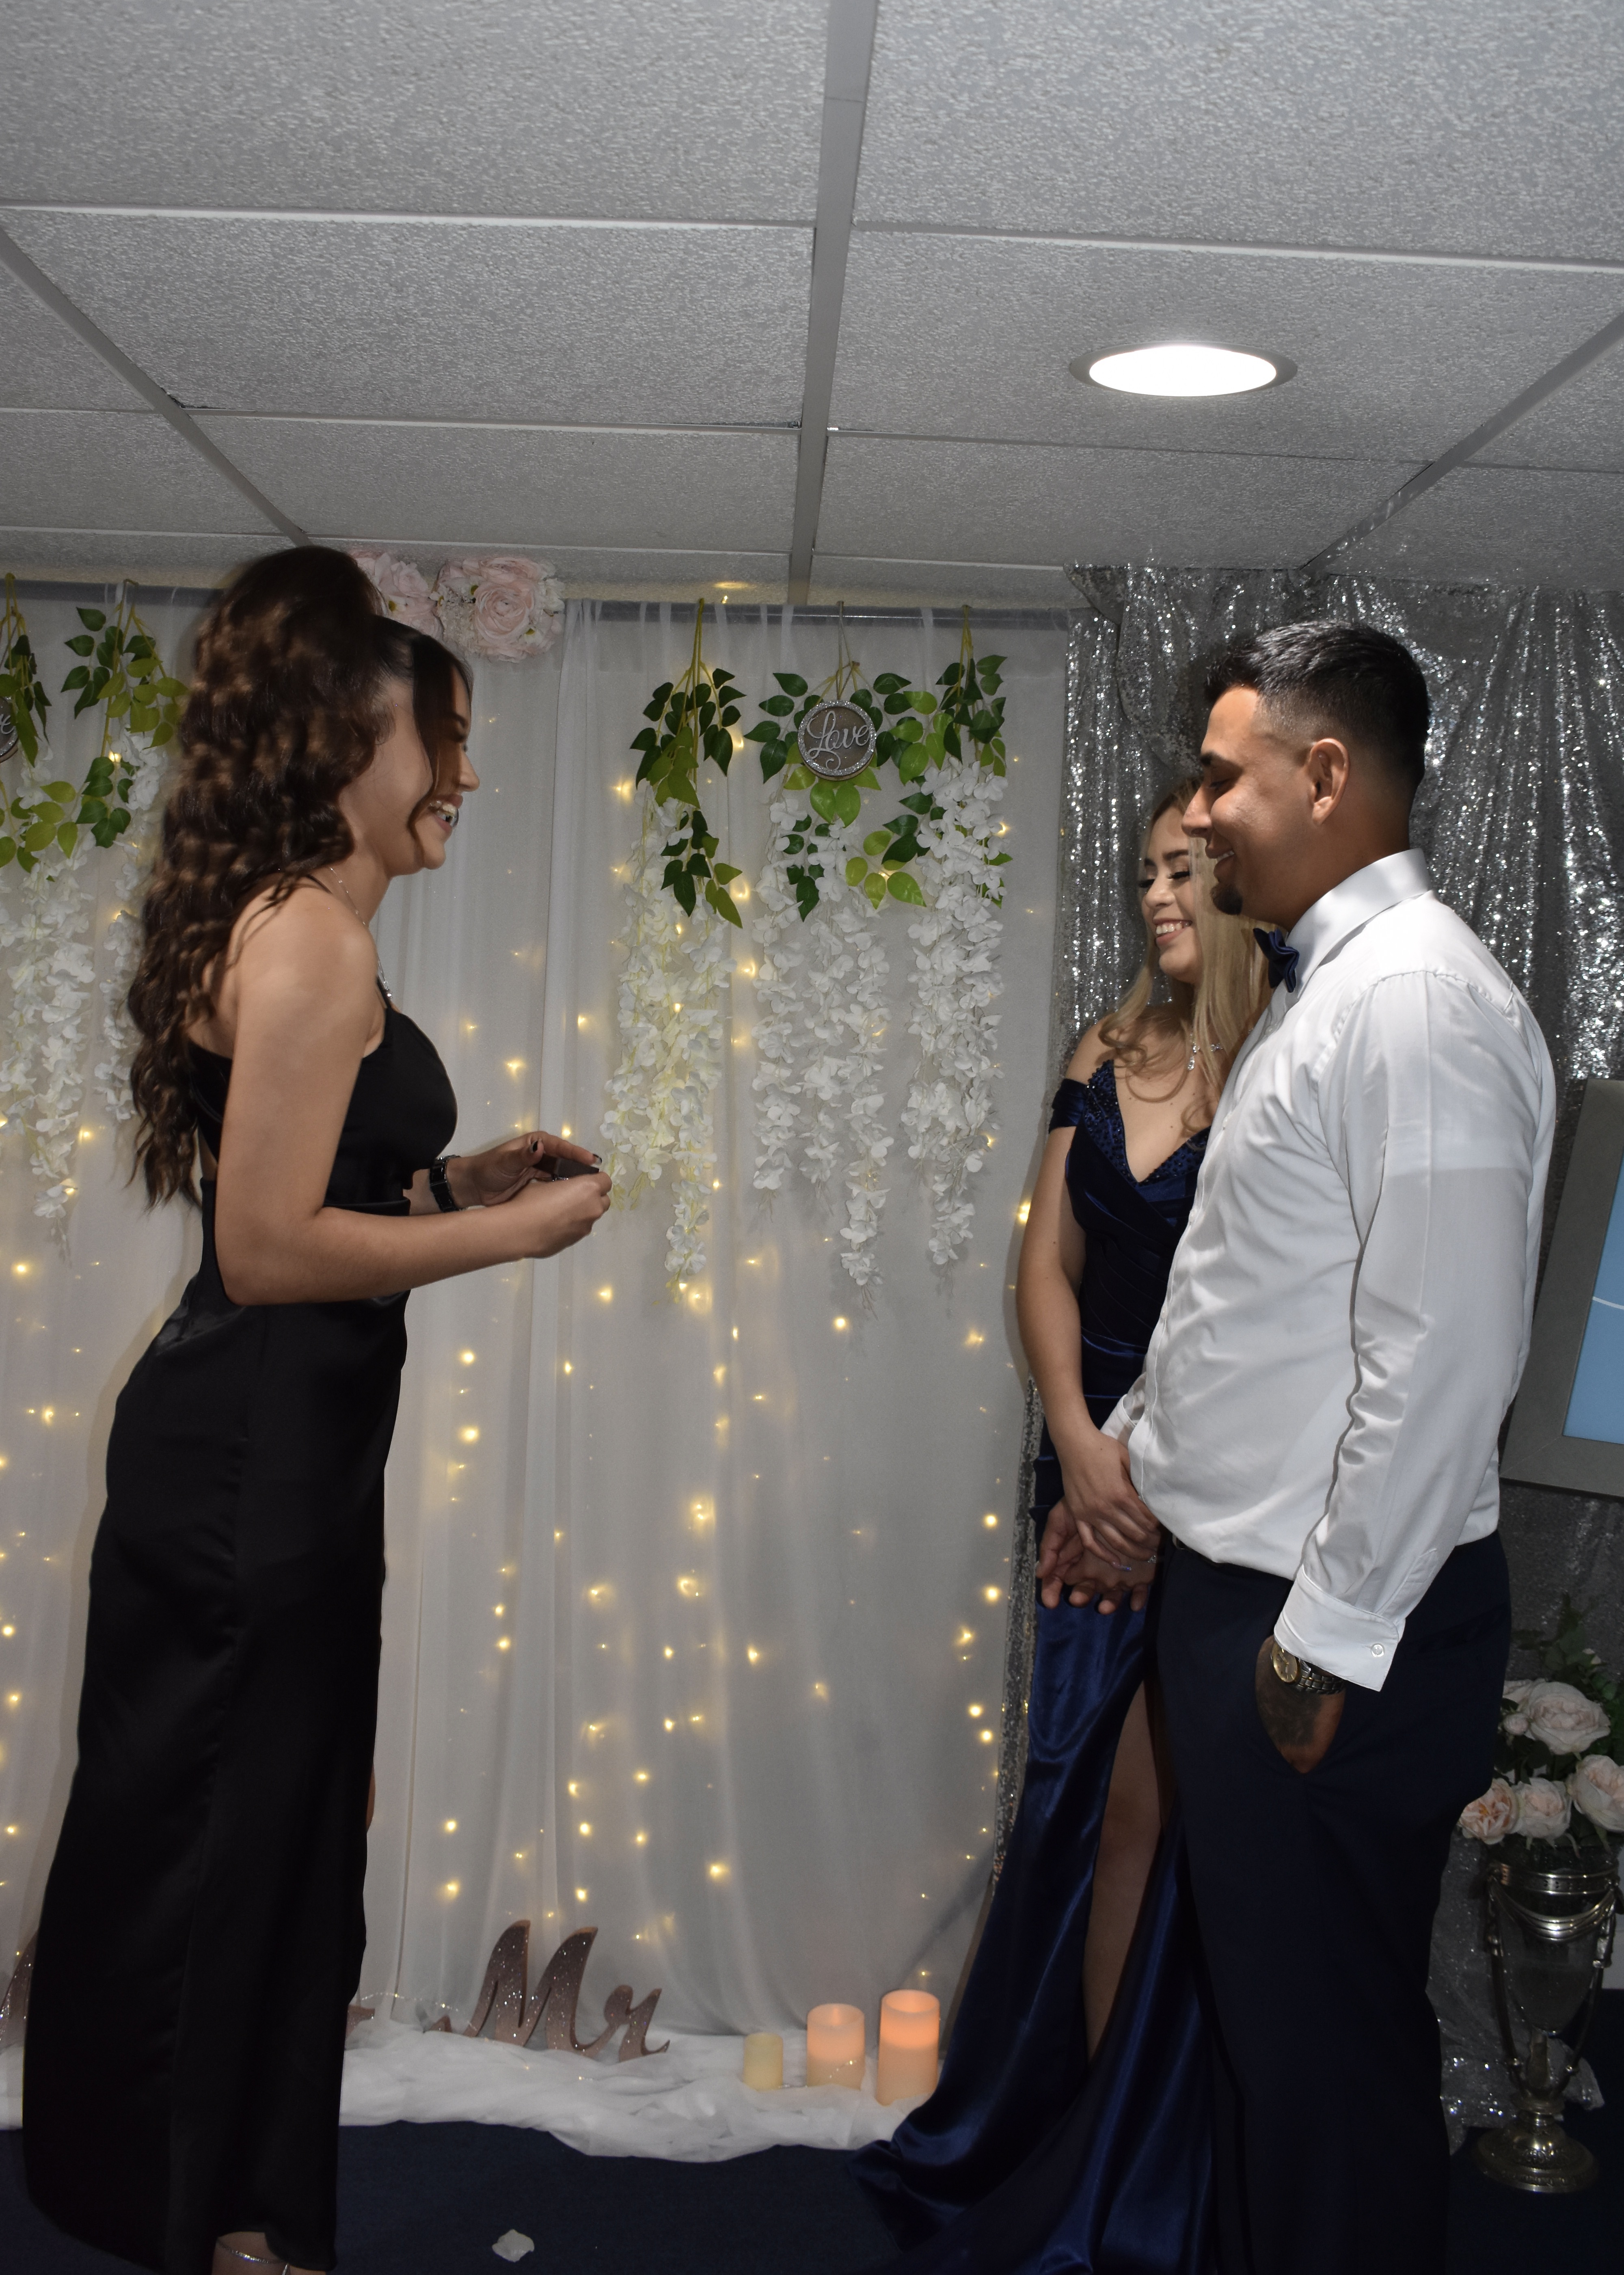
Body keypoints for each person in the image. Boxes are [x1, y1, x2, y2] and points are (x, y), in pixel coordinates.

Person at [22, 547, 611, 2275]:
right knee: (230, 1834)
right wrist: (511, 1236)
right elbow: (268, 1249)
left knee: (270, 1832)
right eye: (445, 736)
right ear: (352, 740)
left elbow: (321, 1195)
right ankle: (204, 2214)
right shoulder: (312, 938)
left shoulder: (302, 925)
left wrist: (450, 1182)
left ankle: (234, 2204)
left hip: (282, 1453)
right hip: (249, 1467)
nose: (466, 774)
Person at [1105, 622, 1554, 2275]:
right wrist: (1138, 1457)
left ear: (1325, 773)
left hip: (1327, 1623)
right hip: (1268, 1599)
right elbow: (1261, 1305)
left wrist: (1326, 1643)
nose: (1201, 809)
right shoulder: (1341, 991)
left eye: (1225, 775)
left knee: (1325, 2065)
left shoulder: (1415, 998)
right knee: (1279, 2050)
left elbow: (1444, 1358)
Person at [854, 785, 1267, 2273]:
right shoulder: (1105, 1047)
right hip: (1084, 1470)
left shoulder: (1288, 1058)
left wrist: (1143, 1472)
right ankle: (1094, 2144)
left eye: (1185, 871)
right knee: (1080, 1809)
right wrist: (1082, 1454)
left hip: (1219, 1491)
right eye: (1147, 870)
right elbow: (1043, 1268)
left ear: (1245, 883)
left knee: (1187, 1826)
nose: (1155, 895)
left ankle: (1180, 2168)